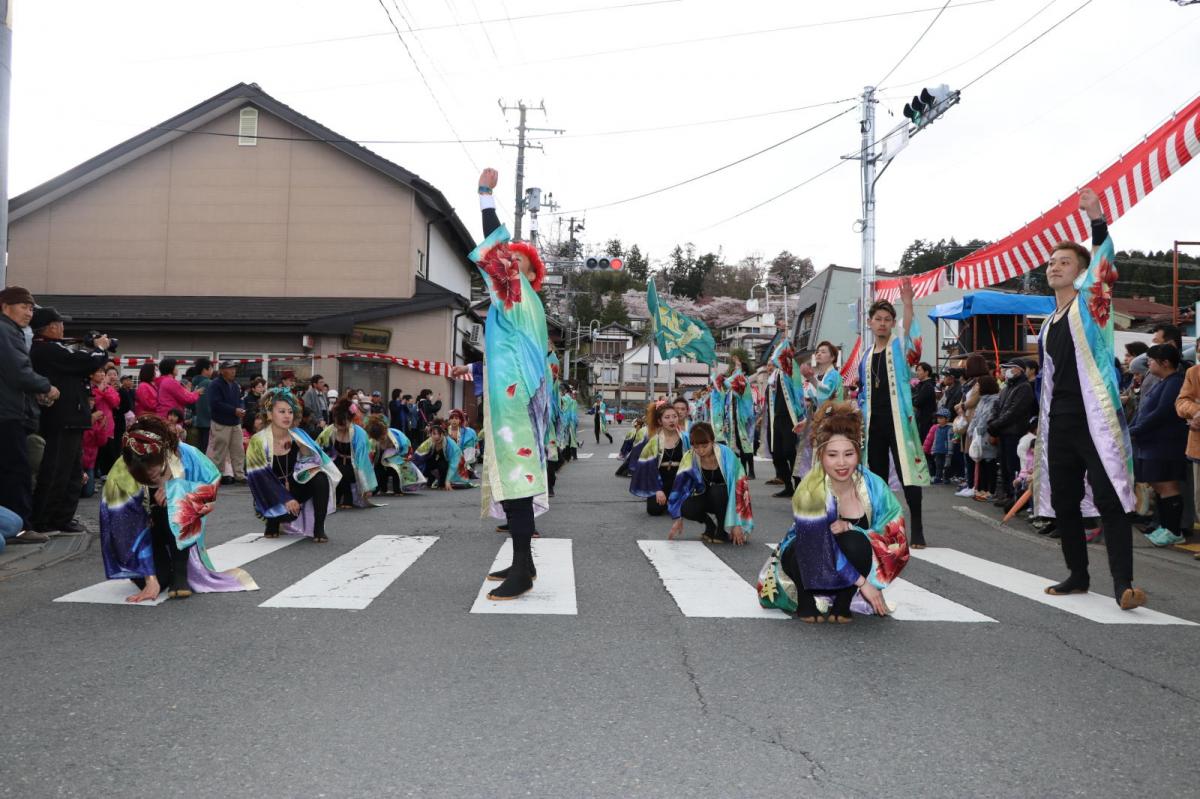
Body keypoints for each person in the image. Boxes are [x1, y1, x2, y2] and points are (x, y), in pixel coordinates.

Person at [1034, 188, 1146, 608]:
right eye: (1051, 262)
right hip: (1059, 421)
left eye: (1064, 262)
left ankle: (1123, 585)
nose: (1054, 267)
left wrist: (1097, 220)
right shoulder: (1047, 323)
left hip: (1093, 421)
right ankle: (1077, 575)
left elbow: (1104, 267)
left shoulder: (1091, 306)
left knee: (1109, 497)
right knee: (1064, 500)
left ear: (1082, 272)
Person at [450, 166, 552, 600]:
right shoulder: (512, 306)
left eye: (518, 259)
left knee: (518, 477)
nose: (510, 259)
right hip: (512, 395)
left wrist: (485, 195)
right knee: (515, 477)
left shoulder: (518, 295)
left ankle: (525, 568)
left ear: (527, 275)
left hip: (517, 401)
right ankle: (523, 562)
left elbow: (496, 246)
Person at [763, 400, 909, 623]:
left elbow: (894, 530)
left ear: (858, 453)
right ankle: (806, 598)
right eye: (832, 455)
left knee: (856, 541)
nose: (841, 463)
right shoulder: (810, 488)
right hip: (806, 559)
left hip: (849, 569)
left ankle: (843, 601)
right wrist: (864, 583)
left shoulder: (874, 486)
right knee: (804, 547)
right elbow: (817, 545)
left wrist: (852, 527)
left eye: (848, 454)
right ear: (820, 456)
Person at [99, 414, 258, 603]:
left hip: (171, 526)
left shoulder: (185, 454)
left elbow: (211, 483)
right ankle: (160, 571)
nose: (153, 481)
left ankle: (181, 568)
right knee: (161, 580)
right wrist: (150, 579)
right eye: (145, 478)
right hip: (140, 535)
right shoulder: (120, 475)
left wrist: (177, 489)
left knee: (178, 498)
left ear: (166, 453)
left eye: (157, 473)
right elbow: (123, 530)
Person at [858, 278, 930, 547]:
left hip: (899, 422)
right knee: (876, 477)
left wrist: (908, 304)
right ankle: (882, 526)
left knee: (907, 473)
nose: (883, 323)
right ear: (870, 322)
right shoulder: (866, 355)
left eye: (888, 319)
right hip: (873, 424)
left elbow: (910, 333)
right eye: (878, 318)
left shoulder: (898, 348)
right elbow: (864, 392)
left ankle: (918, 528)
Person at [29, 306, 111, 534]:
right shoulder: (45, 349)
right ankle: (43, 519)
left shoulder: (53, 350)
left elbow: (79, 362)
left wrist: (92, 350)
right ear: (52, 327)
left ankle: (62, 518)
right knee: (56, 470)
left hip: (71, 416)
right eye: (61, 323)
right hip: (62, 417)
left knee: (72, 472)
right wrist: (100, 348)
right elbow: (85, 362)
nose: (64, 327)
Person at [246, 388, 340, 542]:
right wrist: (285, 498)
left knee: (321, 477)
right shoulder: (258, 440)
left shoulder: (298, 435)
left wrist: (305, 452)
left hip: (294, 485)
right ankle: (273, 521)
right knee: (282, 510)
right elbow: (259, 477)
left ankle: (319, 528)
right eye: (281, 411)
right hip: (270, 492)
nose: (287, 416)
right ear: (269, 414)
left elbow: (317, 462)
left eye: (290, 411)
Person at [0, 286, 56, 542]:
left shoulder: (11, 331)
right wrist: (46, 387)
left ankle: (12, 526)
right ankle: (19, 527)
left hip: (10, 410)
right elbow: (17, 371)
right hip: (7, 414)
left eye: (32, 308)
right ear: (5, 306)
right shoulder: (5, 330)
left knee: (11, 470)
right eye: (24, 306)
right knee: (16, 471)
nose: (29, 313)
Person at [1129, 343, 1188, 546]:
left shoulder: (1174, 382)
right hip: (1152, 443)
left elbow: (1162, 413)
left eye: (1152, 360)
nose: (1149, 364)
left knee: (1167, 486)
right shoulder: (1163, 381)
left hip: (1165, 444)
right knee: (1158, 485)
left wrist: (1136, 430)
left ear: (1165, 362)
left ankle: (1174, 530)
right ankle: (1165, 526)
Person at [666, 422, 752, 545]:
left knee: (718, 491)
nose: (700, 450)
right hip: (704, 497)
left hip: (726, 500)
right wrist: (677, 517)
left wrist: (737, 523)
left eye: (705, 446)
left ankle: (722, 529)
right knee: (684, 506)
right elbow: (678, 488)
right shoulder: (689, 457)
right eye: (696, 447)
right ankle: (709, 525)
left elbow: (741, 488)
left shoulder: (726, 454)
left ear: (712, 441)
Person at [988, 358, 1036, 509]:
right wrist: (993, 423)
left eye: (1009, 368)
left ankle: (1017, 496)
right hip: (1003, 432)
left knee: (1014, 465)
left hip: (1015, 432)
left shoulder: (1024, 387)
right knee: (1004, 466)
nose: (1005, 371)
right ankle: (1008, 494)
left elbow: (1014, 412)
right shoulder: (1007, 387)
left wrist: (995, 424)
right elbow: (997, 407)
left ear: (1019, 370)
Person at [629, 402, 690, 516]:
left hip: (680, 479)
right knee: (654, 510)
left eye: (674, 416)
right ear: (659, 421)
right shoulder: (654, 441)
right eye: (667, 417)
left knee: (686, 510)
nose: (672, 420)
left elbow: (693, 464)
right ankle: (666, 499)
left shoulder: (686, 438)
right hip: (660, 479)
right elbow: (649, 469)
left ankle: (675, 500)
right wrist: (657, 490)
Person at [317, 399, 378, 508]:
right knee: (332, 470)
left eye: (343, 423)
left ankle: (348, 498)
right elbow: (319, 446)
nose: (339, 427)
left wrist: (366, 486)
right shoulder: (330, 430)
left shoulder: (358, 433)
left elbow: (363, 459)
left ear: (350, 420)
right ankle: (337, 497)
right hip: (336, 460)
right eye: (337, 423)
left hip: (354, 464)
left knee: (342, 471)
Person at [765, 340, 807, 497]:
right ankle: (788, 485)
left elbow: (777, 358)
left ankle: (798, 485)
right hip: (776, 417)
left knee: (790, 452)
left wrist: (784, 340)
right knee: (777, 454)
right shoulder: (776, 373)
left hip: (790, 416)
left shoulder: (790, 367)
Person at [1174, 357, 1200, 561]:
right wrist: (1196, 412)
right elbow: (1182, 401)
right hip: (1198, 446)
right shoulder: (1194, 373)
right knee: (1199, 499)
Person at [206, 360, 246, 485]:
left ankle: (239, 475)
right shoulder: (215, 384)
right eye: (231, 369)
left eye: (234, 369)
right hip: (221, 422)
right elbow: (215, 403)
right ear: (223, 371)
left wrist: (240, 408)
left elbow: (238, 401)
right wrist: (234, 410)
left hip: (235, 422)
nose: (234, 371)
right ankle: (216, 475)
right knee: (219, 451)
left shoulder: (235, 385)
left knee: (238, 450)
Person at [364, 416, 425, 495]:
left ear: (385, 431)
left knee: (396, 469)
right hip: (381, 461)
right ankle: (379, 488)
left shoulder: (397, 435)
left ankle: (397, 489)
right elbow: (370, 458)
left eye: (382, 438)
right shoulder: (373, 441)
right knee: (378, 470)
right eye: (378, 439)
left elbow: (407, 447)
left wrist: (403, 458)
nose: (380, 440)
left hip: (398, 460)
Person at [967, 375, 1001, 502]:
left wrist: (978, 430)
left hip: (987, 435)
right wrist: (972, 431)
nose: (976, 387)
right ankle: (981, 489)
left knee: (990, 463)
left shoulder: (995, 400)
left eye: (978, 385)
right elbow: (976, 417)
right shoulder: (982, 400)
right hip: (978, 436)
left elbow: (989, 418)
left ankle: (990, 491)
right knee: (980, 463)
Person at [413, 420, 475, 490]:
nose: (436, 436)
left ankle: (443, 482)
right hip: (435, 463)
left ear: (443, 434)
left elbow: (454, 463)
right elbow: (417, 456)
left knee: (443, 465)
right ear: (430, 434)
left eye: (439, 434)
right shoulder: (428, 443)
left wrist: (448, 481)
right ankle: (430, 479)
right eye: (434, 434)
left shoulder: (451, 445)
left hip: (452, 467)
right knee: (426, 464)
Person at [726, 358, 756, 479]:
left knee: (746, 444)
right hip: (737, 418)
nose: (734, 371)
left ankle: (752, 471)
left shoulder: (744, 381)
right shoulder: (738, 383)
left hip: (745, 418)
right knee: (740, 444)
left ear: (743, 372)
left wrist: (726, 380)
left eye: (737, 369)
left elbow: (731, 384)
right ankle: (744, 469)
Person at [188, 357, 215, 453]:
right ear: (205, 370)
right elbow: (208, 406)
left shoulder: (194, 383)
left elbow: (190, 404)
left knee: (198, 451)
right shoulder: (208, 383)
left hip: (195, 423)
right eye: (211, 368)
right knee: (207, 452)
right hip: (208, 424)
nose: (213, 371)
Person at [911, 362, 938, 442]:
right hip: (920, 420)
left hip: (926, 421)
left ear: (926, 372)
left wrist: (913, 400)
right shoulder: (921, 384)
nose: (917, 373)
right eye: (917, 370)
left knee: (924, 443)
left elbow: (917, 402)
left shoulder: (928, 386)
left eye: (919, 370)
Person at [926, 409, 953, 484]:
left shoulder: (949, 429)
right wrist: (933, 449)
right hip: (938, 450)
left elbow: (950, 440)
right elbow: (935, 439)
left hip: (946, 450)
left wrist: (950, 450)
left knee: (947, 465)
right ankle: (938, 477)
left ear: (947, 419)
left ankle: (946, 478)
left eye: (941, 418)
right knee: (938, 464)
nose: (939, 419)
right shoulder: (937, 428)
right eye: (938, 418)